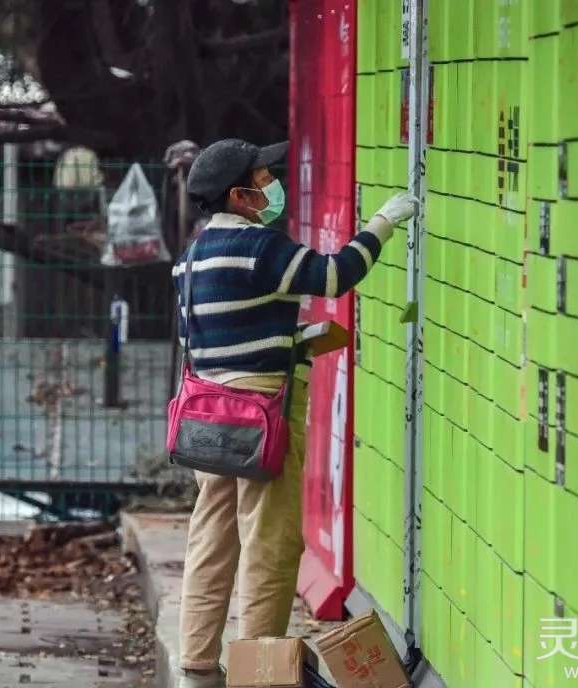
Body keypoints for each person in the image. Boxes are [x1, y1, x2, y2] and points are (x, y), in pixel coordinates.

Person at [173, 138, 417, 688]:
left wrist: (293, 339)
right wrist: (382, 222)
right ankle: (257, 672)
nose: (270, 185)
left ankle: (196, 666)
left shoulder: (190, 258)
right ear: (239, 195)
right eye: (262, 178)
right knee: (271, 542)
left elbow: (221, 333)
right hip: (262, 413)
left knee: (211, 538)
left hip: (208, 415)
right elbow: (334, 275)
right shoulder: (260, 246)